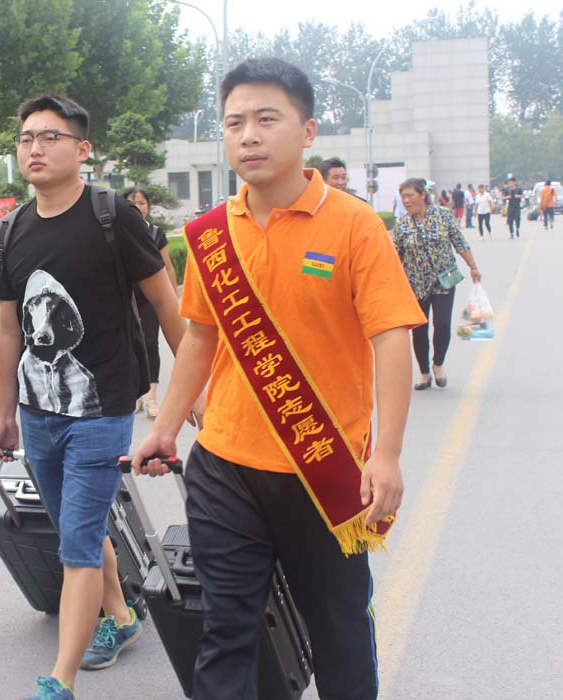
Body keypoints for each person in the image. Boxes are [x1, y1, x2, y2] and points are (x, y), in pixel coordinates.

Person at [130, 58, 426, 700]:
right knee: (225, 631)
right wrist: (165, 427)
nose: (248, 135)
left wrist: (388, 453)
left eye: (267, 119)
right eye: (234, 122)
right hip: (226, 466)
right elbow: (201, 337)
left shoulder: (354, 225)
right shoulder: (211, 234)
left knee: (340, 632)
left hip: (323, 467)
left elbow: (391, 337)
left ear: (308, 130)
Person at [0, 95, 197, 700]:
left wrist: (193, 391)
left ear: (82, 149)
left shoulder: (113, 217)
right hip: (37, 414)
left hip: (102, 410)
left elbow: (167, 305)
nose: (34, 148)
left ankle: (60, 681)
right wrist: (3, 412)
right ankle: (124, 618)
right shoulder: (10, 231)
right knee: (76, 529)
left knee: (77, 543)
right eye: (26, 138)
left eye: (49, 137)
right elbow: (7, 329)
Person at [393, 178, 483, 390]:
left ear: (423, 195)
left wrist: (473, 267)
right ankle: (424, 372)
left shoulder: (443, 216)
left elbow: (459, 242)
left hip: (444, 280)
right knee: (419, 330)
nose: (406, 201)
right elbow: (396, 256)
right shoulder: (402, 225)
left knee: (442, 324)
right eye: (403, 197)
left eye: (410, 196)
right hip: (415, 284)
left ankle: (438, 364)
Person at [123, 187, 180, 420]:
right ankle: (136, 396)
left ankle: (151, 398)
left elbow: (168, 267)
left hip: (151, 298)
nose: (138, 207)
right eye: (133, 202)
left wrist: (173, 298)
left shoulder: (156, 234)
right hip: (126, 297)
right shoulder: (118, 231)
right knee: (129, 344)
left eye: (142, 202)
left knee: (150, 343)